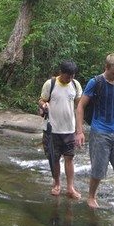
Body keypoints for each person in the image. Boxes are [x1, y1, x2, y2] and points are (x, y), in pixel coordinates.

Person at [75, 53, 114, 214]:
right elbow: (80, 106)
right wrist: (79, 131)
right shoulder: (95, 83)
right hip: (100, 132)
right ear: (106, 67)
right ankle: (91, 197)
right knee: (98, 170)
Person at [39, 60, 83, 199]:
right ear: (61, 73)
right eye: (67, 76)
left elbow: (79, 105)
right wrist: (44, 105)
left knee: (69, 158)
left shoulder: (75, 85)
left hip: (69, 129)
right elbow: (41, 100)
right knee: (54, 158)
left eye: (72, 76)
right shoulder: (50, 84)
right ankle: (57, 184)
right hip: (52, 129)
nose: (69, 78)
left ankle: (70, 187)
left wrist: (79, 129)